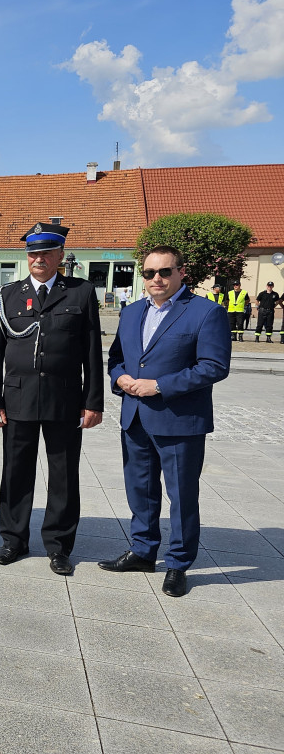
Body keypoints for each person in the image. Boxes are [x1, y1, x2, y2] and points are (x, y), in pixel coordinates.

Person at [102, 245, 231, 597]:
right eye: (148, 273)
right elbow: (116, 358)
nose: (156, 279)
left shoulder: (207, 313)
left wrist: (159, 385)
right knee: (140, 491)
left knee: (182, 496)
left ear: (181, 273)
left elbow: (214, 366)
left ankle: (178, 563)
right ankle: (143, 552)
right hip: (136, 418)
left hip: (180, 421)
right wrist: (119, 378)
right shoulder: (131, 313)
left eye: (164, 272)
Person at [0, 222, 104, 576]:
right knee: (15, 472)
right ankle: (13, 539)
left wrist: (93, 401)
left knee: (64, 475)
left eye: (46, 253)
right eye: (33, 253)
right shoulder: (8, 295)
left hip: (64, 399)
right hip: (18, 398)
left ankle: (59, 545)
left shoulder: (80, 293)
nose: (38, 259)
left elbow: (92, 352)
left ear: (59, 256)